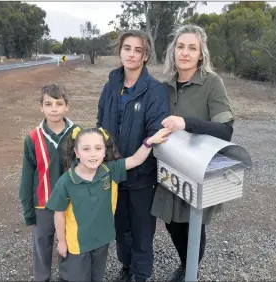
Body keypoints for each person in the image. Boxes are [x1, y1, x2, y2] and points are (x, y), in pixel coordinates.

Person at [150, 24, 235, 282]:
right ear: (172, 51)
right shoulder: (165, 87)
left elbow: (225, 130)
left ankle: (190, 271)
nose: (185, 53)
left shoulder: (212, 83)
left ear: (201, 54)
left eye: (192, 48)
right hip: (170, 166)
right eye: (180, 46)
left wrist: (186, 123)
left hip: (198, 168)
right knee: (172, 222)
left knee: (193, 223)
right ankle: (186, 264)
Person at [45, 126, 172, 282]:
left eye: (98, 148)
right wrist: (62, 242)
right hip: (77, 244)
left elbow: (135, 160)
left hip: (102, 240)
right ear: (76, 152)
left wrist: (149, 142)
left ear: (104, 151)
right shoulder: (66, 181)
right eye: (86, 149)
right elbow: (59, 213)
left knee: (97, 276)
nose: (93, 154)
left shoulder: (110, 171)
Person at [96, 30, 170, 282]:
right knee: (120, 229)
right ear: (120, 51)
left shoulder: (155, 91)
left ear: (146, 55)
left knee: (141, 232)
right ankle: (126, 267)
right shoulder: (111, 85)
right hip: (112, 173)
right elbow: (100, 123)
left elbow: (155, 133)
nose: (131, 54)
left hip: (140, 175)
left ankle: (140, 274)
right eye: (127, 48)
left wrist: (137, 159)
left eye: (137, 50)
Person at [19, 84, 78, 282]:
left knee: (68, 244)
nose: (54, 108)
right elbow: (27, 177)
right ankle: (42, 278)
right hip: (42, 205)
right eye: (48, 104)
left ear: (66, 106)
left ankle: (66, 277)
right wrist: (28, 210)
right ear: (41, 107)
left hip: (70, 204)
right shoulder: (33, 137)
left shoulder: (78, 133)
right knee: (41, 246)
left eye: (59, 103)